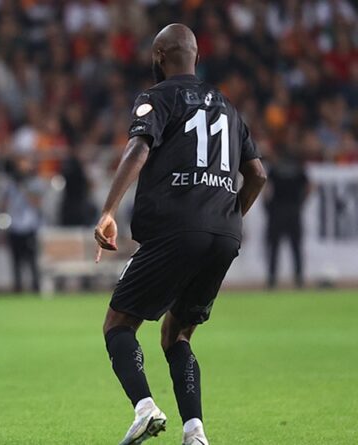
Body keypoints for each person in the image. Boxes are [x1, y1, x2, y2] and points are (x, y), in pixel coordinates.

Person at [93, 25, 266, 445]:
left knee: (118, 323)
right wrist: (226, 217)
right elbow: (258, 175)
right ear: (196, 57)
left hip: (175, 229)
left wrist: (108, 210)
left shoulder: (158, 97)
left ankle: (145, 408)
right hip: (225, 235)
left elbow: (138, 148)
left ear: (158, 56)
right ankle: (195, 432)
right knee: (177, 335)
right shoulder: (228, 106)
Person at [264, 147, 310, 289]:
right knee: (296, 247)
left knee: (274, 248)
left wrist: (267, 206)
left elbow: (266, 189)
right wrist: (301, 202)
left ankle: (272, 280)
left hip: (277, 211)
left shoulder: (274, 169)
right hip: (293, 211)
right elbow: (309, 187)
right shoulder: (299, 169)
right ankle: (299, 278)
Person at [0, 156, 45, 293]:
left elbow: (37, 203)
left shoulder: (34, 183)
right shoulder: (9, 185)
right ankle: (18, 287)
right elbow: (2, 204)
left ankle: (35, 287)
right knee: (16, 261)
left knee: (32, 260)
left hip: (29, 225)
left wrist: (25, 191)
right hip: (15, 225)